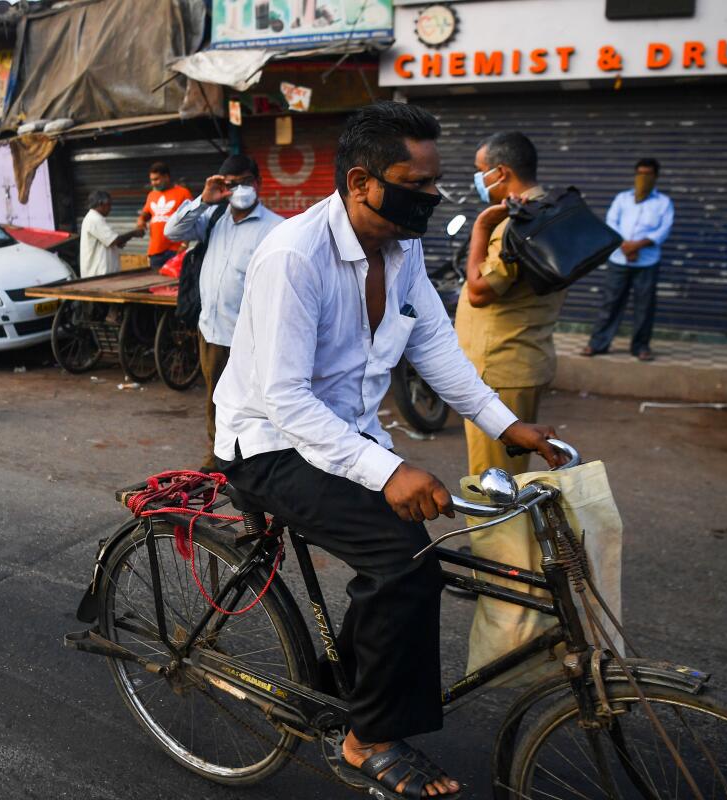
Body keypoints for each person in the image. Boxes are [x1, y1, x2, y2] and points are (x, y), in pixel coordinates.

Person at [215, 102, 564, 800]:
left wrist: (504, 424)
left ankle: (354, 683)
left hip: (343, 437)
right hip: (270, 444)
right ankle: (366, 737)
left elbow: (437, 348)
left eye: (436, 183)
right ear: (360, 182)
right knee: (401, 561)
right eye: (418, 183)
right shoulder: (293, 258)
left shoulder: (400, 250)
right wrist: (391, 469)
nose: (434, 195)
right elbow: (286, 400)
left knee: (414, 556)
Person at [456, 131, 564, 477]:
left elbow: (478, 290)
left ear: (500, 172)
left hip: (500, 369)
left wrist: (481, 227)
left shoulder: (515, 225)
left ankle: (504, 535)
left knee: (496, 486)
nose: (477, 179)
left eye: (480, 170)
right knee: (512, 474)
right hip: (523, 357)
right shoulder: (549, 209)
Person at [165, 154, 283, 470]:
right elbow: (172, 232)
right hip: (213, 330)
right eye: (232, 184)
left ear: (258, 183)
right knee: (217, 399)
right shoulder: (212, 219)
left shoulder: (276, 228)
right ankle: (219, 455)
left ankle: (256, 460)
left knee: (256, 403)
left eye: (246, 181)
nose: (240, 189)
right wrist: (204, 199)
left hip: (252, 337)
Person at [582, 158, 675, 361]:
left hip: (647, 262)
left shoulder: (663, 203)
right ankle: (598, 344)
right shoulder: (622, 199)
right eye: (640, 174)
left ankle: (641, 347)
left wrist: (637, 246)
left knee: (644, 306)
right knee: (610, 302)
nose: (643, 178)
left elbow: (663, 231)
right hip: (619, 259)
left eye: (648, 174)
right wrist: (625, 246)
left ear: (656, 177)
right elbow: (611, 223)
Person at [136, 162, 192, 270]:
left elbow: (190, 220)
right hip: (155, 251)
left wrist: (184, 245)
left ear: (166, 177)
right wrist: (141, 219)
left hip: (176, 250)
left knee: (175, 285)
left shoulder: (183, 193)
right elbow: (146, 212)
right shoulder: (152, 195)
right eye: (151, 180)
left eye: (156, 179)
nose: (153, 183)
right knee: (155, 285)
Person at [79, 191, 142, 278]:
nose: (110, 208)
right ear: (101, 204)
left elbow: (109, 241)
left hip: (101, 274)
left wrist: (118, 243)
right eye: (109, 205)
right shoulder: (94, 219)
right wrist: (134, 233)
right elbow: (113, 240)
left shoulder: (95, 218)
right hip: (98, 275)